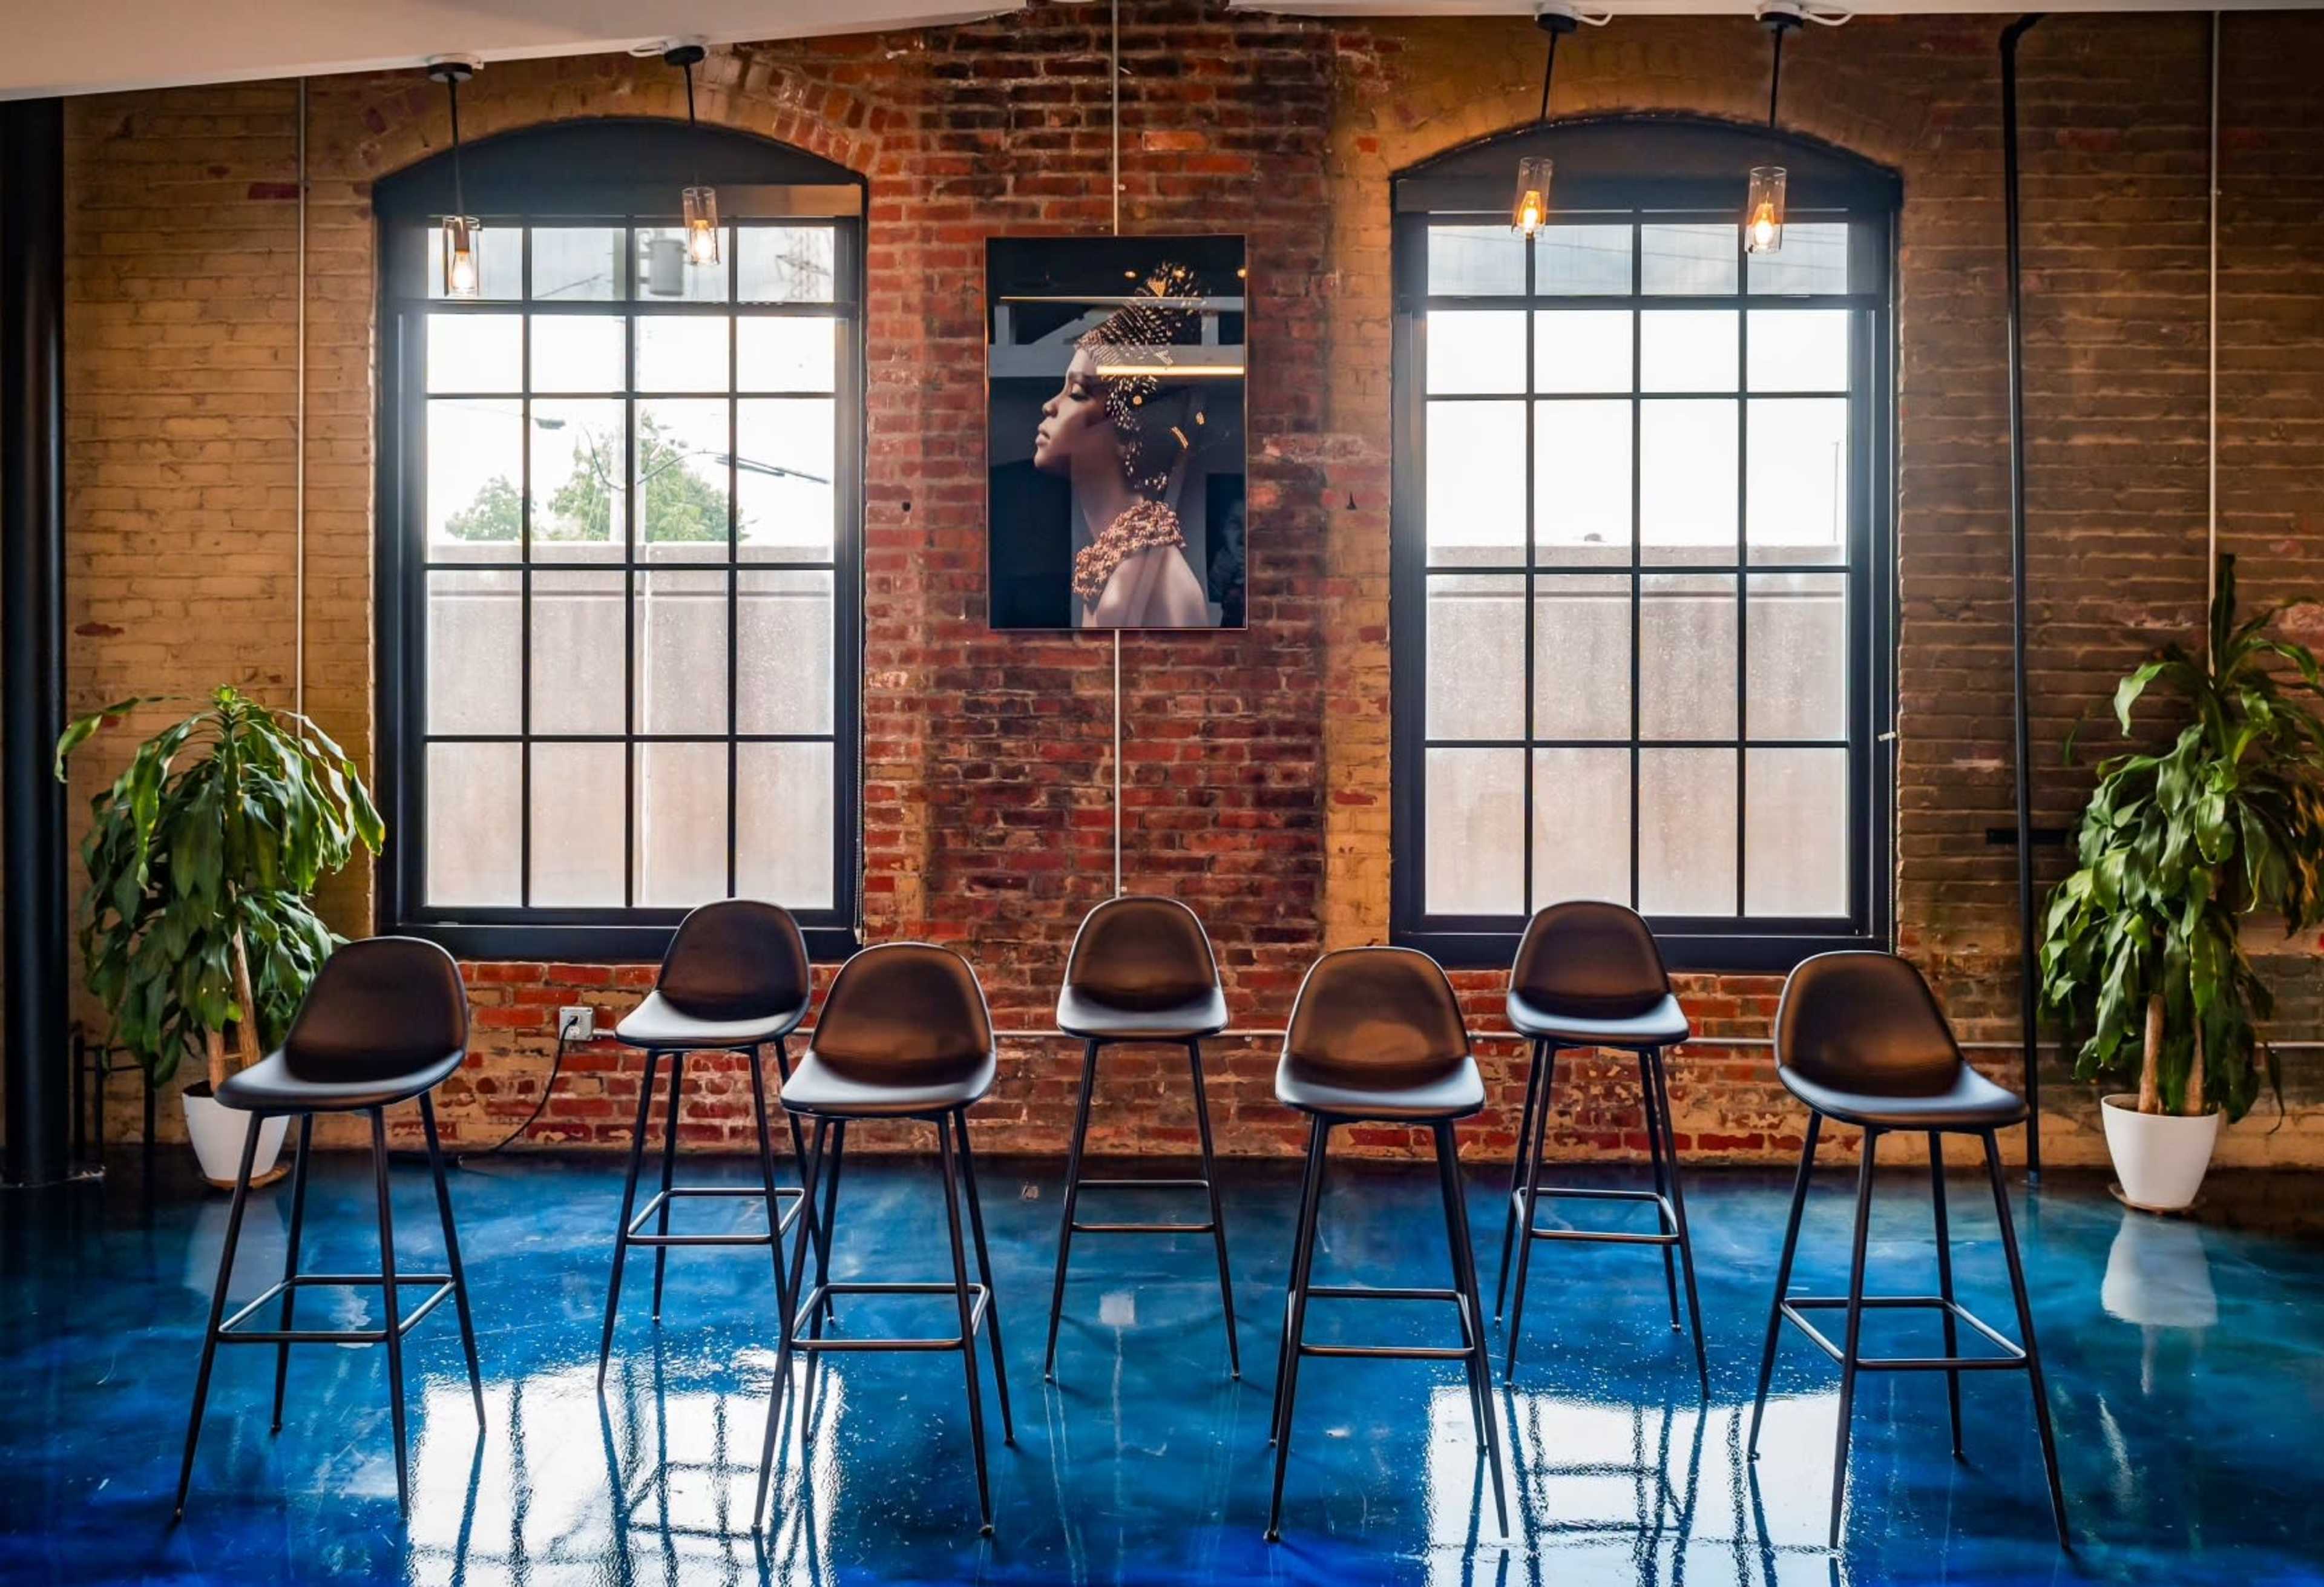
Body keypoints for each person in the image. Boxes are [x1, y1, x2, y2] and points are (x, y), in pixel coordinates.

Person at [1031, 267, 1213, 628]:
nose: (1050, 406)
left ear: (1131, 428)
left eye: (1078, 394)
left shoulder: (1166, 588)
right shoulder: (1110, 571)